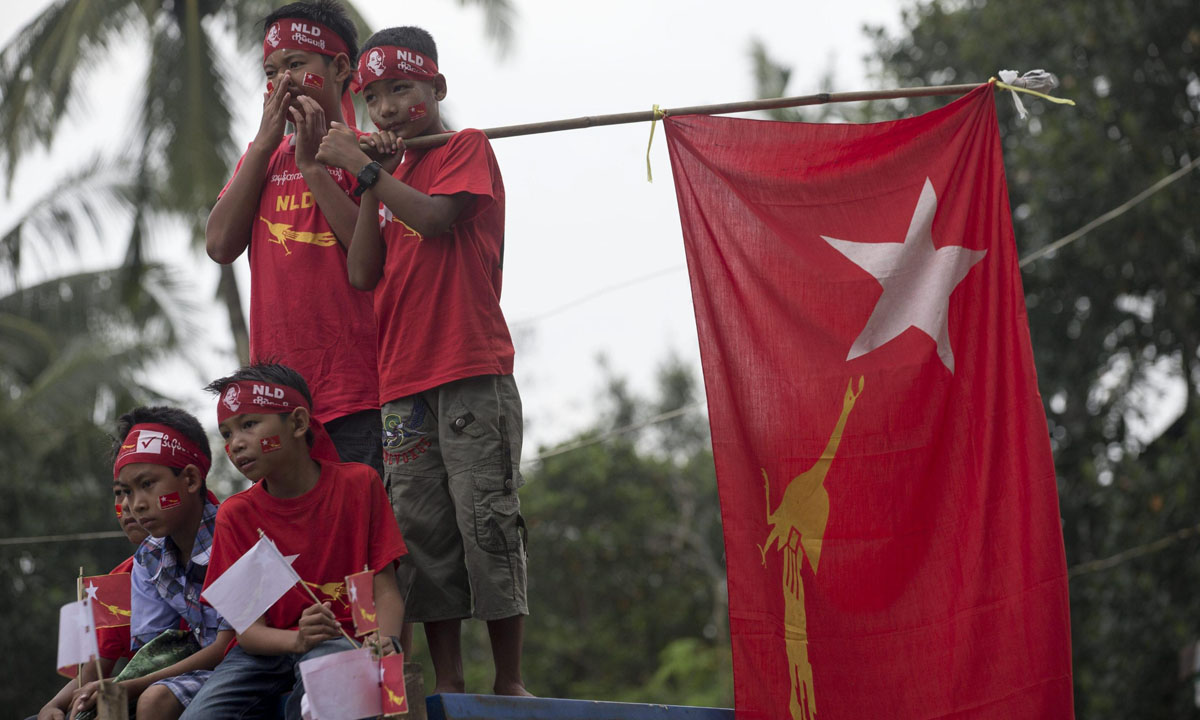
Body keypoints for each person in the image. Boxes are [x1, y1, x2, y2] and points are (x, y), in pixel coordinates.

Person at [316, 26, 531, 696]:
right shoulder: (388, 174)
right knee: (423, 534)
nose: (386, 108)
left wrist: (370, 171)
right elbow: (362, 272)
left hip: (469, 370)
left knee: (486, 520)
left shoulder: (465, 147)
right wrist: (360, 180)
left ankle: (509, 681)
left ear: (436, 87)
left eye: (401, 89)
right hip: (402, 382)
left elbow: (437, 220)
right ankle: (450, 685)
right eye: (373, 96)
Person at [205, 0, 383, 477]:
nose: (282, 81)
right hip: (279, 405)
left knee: (368, 520)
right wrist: (266, 142)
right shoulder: (262, 157)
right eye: (271, 71)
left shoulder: (368, 154)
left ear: (340, 67)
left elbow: (372, 260)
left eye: (297, 64)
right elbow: (219, 245)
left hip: (359, 392)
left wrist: (316, 166)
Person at [180, 363, 407, 719]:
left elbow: (386, 589)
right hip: (262, 654)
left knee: (327, 698)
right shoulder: (235, 515)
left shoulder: (360, 485)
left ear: (299, 423)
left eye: (249, 424)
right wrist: (298, 639)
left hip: (342, 640)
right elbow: (249, 632)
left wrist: (386, 639)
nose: (235, 443)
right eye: (226, 433)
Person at [72, 407, 234, 719]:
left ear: (190, 479)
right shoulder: (149, 556)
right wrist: (77, 699)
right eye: (126, 492)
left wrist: (129, 686)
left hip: (248, 662)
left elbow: (228, 646)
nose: (136, 505)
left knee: (153, 700)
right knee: (104, 705)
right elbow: (157, 652)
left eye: (147, 484)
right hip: (196, 670)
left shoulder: (233, 534)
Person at [32, 493, 149, 720]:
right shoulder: (120, 580)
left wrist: (119, 684)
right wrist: (53, 705)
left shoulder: (200, 562)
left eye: (144, 485)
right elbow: (94, 671)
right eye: (119, 492)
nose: (126, 505)